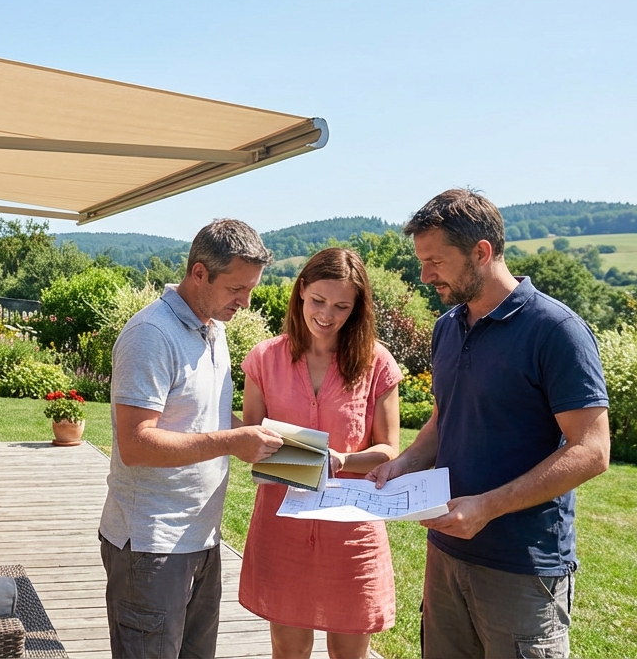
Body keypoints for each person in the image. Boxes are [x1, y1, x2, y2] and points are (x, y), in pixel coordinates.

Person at [369, 189, 610, 659]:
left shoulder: (556, 331)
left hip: (521, 566)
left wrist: (487, 507)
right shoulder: (448, 326)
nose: (424, 276)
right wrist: (406, 462)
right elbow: (445, 417)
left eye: (435, 261)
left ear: (481, 252)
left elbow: (592, 451)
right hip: (446, 552)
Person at [100, 218, 285, 659]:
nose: (245, 301)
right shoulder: (151, 334)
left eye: (251, 289)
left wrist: (264, 438)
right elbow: (137, 443)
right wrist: (230, 441)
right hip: (152, 546)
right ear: (199, 272)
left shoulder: (212, 329)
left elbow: (205, 419)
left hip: (200, 539)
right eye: (236, 289)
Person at [237, 247, 402, 659]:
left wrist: (344, 461)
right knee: (288, 652)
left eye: (342, 306)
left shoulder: (376, 362)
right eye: (318, 301)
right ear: (301, 291)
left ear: (357, 308)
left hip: (351, 535)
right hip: (283, 532)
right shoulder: (264, 358)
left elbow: (388, 450)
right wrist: (267, 448)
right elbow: (247, 437)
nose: (327, 315)